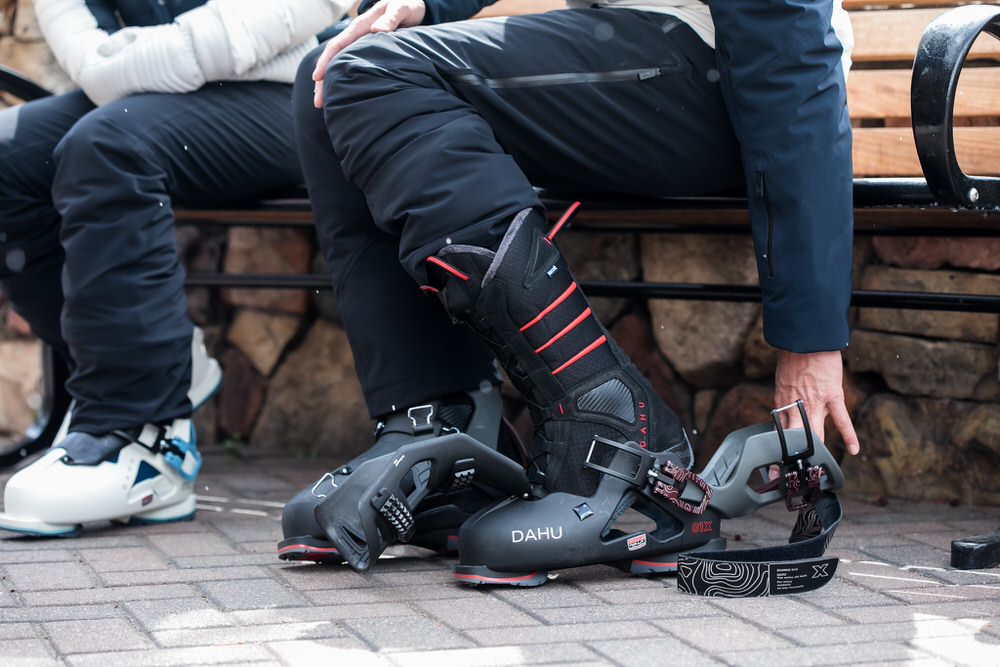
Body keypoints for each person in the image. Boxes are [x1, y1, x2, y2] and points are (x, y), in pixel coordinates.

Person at [281, 0, 862, 579]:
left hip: (736, 79)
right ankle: (446, 430)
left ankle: (617, 432)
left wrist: (810, 341)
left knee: (373, 72)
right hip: (642, 56)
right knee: (329, 74)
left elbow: (789, 48)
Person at [0, 0, 352, 537]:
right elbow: (91, 62)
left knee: (108, 145)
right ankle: (163, 362)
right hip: (149, 96)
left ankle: (145, 439)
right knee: (8, 157)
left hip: (305, 89)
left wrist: (146, 57)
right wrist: (195, 55)